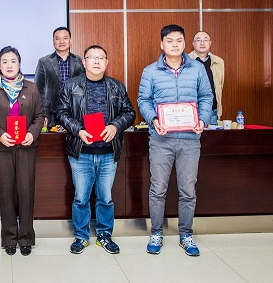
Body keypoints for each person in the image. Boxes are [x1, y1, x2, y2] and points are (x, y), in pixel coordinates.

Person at [137, 24, 212, 257]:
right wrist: (153, 119)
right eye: (169, 41)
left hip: (190, 139)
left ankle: (186, 234)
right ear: (162, 44)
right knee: (158, 189)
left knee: (188, 190)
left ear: (185, 43)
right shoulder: (150, 71)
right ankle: (156, 233)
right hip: (161, 139)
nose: (175, 45)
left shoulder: (197, 69)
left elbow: (206, 96)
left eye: (179, 40)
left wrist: (203, 119)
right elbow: (143, 100)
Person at [56, 45, 135, 255]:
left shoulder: (117, 87)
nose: (97, 61)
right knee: (81, 198)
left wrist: (115, 126)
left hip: (108, 152)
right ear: (84, 62)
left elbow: (129, 112)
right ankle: (81, 236)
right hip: (81, 152)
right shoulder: (71, 86)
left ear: (107, 62)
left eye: (101, 58)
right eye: (92, 57)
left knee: (105, 198)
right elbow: (61, 113)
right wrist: (78, 130)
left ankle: (104, 235)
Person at [0, 46, 45, 257]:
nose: (9, 65)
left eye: (13, 61)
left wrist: (32, 133)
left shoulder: (31, 88)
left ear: (19, 64)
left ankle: (25, 238)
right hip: (2, 148)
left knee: (26, 192)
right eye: (5, 61)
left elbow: (40, 115)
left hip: (26, 147)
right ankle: (9, 238)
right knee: (6, 193)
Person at [35, 26, 84, 128]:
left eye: (65, 38)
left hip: (75, 112)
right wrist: (41, 114)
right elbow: (38, 90)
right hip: (51, 112)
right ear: (53, 41)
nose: (61, 41)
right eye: (58, 38)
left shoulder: (80, 61)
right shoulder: (44, 61)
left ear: (70, 40)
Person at [189, 31, 225, 125]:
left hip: (213, 112)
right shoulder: (186, 61)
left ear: (210, 43)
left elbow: (220, 85)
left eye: (205, 40)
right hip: (191, 112)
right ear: (193, 43)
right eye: (198, 40)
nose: (202, 43)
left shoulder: (218, 62)